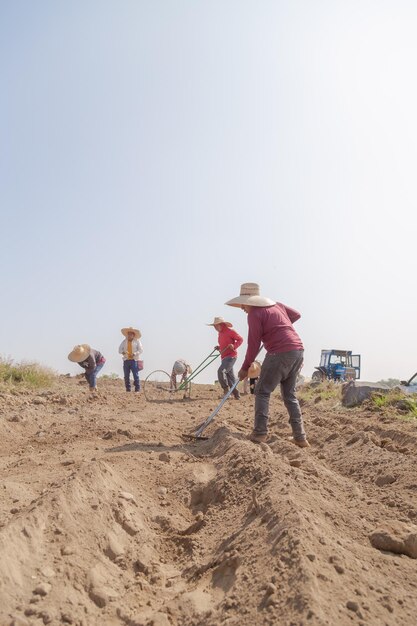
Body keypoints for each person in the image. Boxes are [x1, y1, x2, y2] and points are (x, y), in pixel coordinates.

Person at [226, 283, 309, 447]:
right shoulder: (277, 305)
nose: (242, 308)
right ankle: (300, 437)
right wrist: (278, 326)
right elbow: (296, 315)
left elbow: (253, 345)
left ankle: (259, 433)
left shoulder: (254, 314)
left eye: (244, 303)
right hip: (297, 350)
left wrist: (244, 368)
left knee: (262, 391)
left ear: (251, 301)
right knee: (290, 395)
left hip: (279, 353)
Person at [206, 316, 243, 400]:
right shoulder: (220, 334)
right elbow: (224, 345)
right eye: (214, 326)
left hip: (231, 356)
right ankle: (236, 395)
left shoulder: (230, 331)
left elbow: (240, 339)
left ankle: (226, 392)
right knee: (230, 377)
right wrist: (219, 348)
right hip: (224, 357)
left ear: (221, 324)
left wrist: (234, 346)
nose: (215, 328)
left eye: (216, 326)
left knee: (221, 371)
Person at [119, 327, 143, 392]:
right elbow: (119, 350)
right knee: (126, 375)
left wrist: (135, 353)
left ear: (133, 335)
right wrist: (123, 352)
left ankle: (137, 389)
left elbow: (141, 350)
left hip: (134, 360)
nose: (129, 335)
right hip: (126, 360)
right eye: (128, 334)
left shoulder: (137, 341)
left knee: (135, 375)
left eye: (131, 334)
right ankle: (128, 389)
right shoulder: (124, 341)